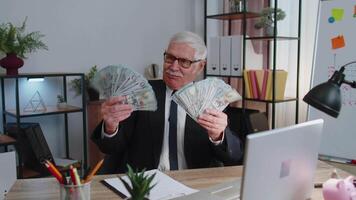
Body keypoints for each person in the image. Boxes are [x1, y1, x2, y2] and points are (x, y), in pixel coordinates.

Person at [91, 31, 243, 173]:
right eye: (170, 58)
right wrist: (110, 128)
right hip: (146, 183)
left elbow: (234, 156)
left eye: (184, 62)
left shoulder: (212, 99)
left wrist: (218, 136)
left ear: (200, 66)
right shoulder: (140, 93)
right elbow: (111, 148)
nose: (173, 67)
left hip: (192, 183)